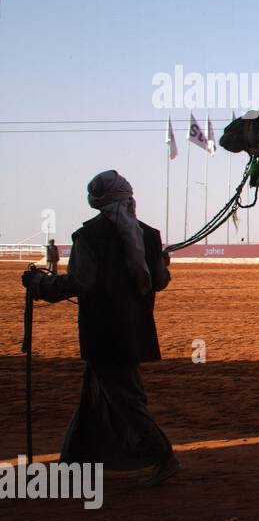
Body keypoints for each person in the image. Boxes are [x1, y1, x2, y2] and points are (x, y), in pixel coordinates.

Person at [22, 171, 181, 486]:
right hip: (135, 329)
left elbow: (80, 282)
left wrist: (39, 284)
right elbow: (158, 281)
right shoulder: (148, 235)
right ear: (129, 198)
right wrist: (161, 262)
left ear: (96, 201)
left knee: (123, 396)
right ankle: (74, 463)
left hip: (103, 331)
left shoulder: (90, 236)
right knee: (97, 393)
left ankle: (163, 456)